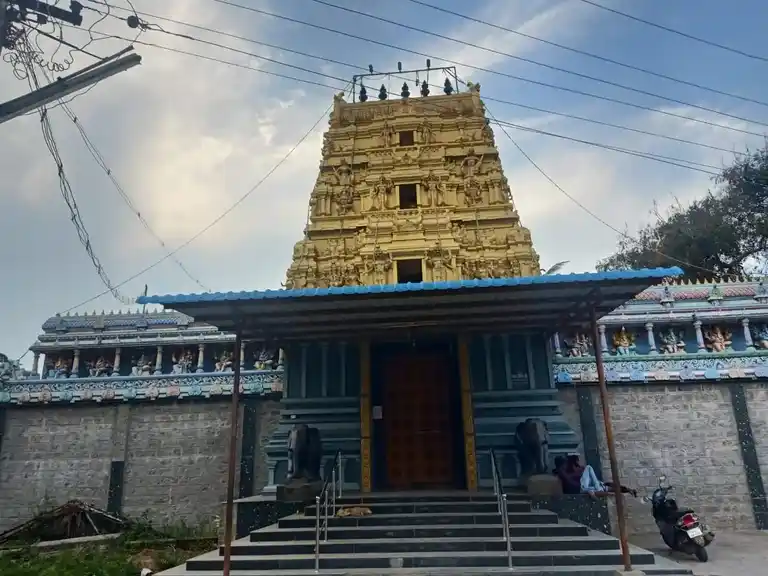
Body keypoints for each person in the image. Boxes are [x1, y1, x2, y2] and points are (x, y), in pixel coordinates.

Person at [566, 455, 637, 498]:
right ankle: (590, 488)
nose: (579, 462)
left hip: (592, 487)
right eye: (578, 460)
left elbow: (615, 488)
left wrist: (627, 490)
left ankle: (628, 490)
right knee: (588, 467)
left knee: (608, 486)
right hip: (585, 485)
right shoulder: (574, 470)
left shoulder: (602, 487)